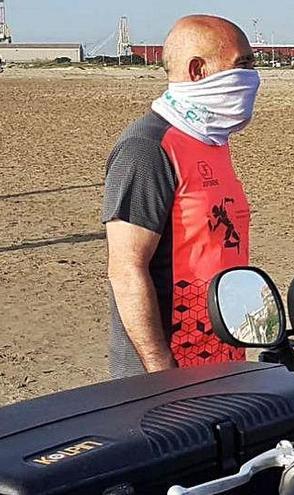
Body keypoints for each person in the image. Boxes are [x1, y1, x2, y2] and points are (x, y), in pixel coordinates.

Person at [102, 15, 259, 378]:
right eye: (243, 64)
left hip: (221, 356)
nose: (254, 75)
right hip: (166, 371)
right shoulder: (147, 149)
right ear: (198, 70)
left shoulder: (210, 141)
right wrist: (163, 374)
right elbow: (126, 269)